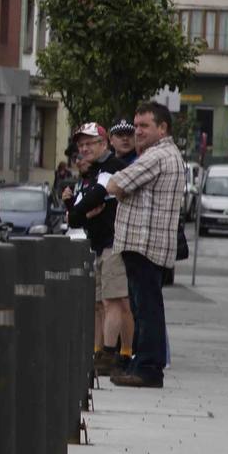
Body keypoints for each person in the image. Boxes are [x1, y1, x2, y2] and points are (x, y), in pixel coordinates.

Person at [105, 102, 186, 388]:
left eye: (144, 126)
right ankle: (144, 364)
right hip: (150, 245)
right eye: (136, 125)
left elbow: (116, 184)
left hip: (144, 245)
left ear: (162, 128)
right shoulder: (166, 155)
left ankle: (148, 368)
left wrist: (118, 187)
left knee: (146, 308)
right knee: (146, 306)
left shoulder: (156, 157)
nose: (137, 131)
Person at [62, 122, 133, 375]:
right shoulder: (90, 173)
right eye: (81, 145)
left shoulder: (111, 168)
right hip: (99, 243)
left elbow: (94, 199)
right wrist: (74, 206)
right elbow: (76, 216)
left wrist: (81, 209)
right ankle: (99, 350)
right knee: (98, 303)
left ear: (104, 144)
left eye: (89, 143)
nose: (84, 149)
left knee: (115, 300)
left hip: (116, 242)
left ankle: (114, 353)